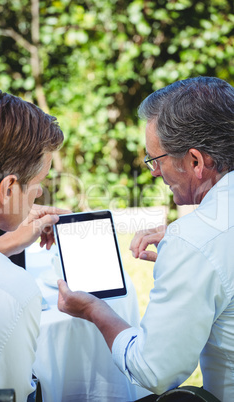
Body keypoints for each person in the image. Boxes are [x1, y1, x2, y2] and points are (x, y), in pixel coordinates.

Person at [57, 76, 234, 402]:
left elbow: (155, 371)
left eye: (156, 160)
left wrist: (96, 311)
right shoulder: (202, 239)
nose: (153, 172)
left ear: (195, 161)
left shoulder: (195, 241)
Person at [0, 85, 67, 401]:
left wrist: (3, 245)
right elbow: (14, 395)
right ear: (8, 189)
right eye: (38, 183)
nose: (39, 194)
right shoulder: (14, 293)